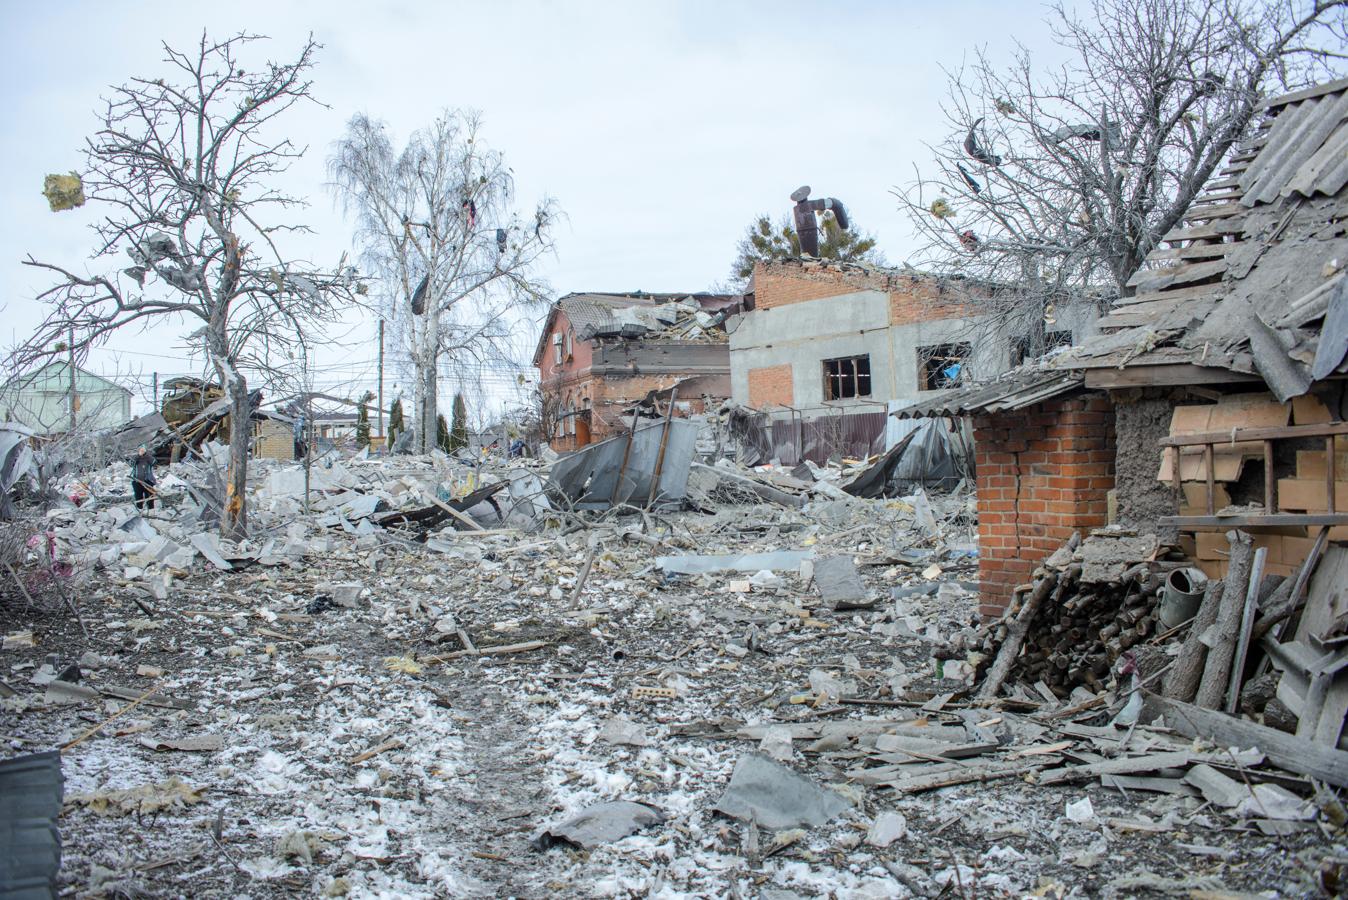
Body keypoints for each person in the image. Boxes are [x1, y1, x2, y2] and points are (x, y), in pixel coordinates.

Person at [130, 444, 157, 512]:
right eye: (140, 449)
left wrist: (146, 455)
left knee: (150, 496)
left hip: (148, 480)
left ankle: (151, 511)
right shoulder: (136, 458)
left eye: (143, 449)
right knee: (138, 496)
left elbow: (154, 462)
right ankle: (139, 510)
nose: (142, 451)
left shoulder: (149, 457)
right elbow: (131, 463)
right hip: (137, 480)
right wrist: (139, 456)